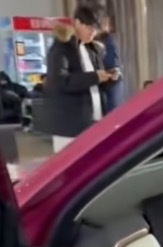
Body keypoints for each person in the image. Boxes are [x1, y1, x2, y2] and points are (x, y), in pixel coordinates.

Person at [45, 5, 112, 152]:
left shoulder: (92, 49)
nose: (93, 33)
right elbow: (60, 82)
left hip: (94, 122)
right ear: (77, 22)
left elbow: (96, 83)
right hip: (70, 128)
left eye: (96, 29)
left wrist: (108, 77)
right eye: (89, 27)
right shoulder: (61, 48)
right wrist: (95, 77)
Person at [98, 12, 124, 112]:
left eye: (105, 24)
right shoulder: (103, 40)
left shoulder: (108, 40)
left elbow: (111, 63)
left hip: (111, 81)